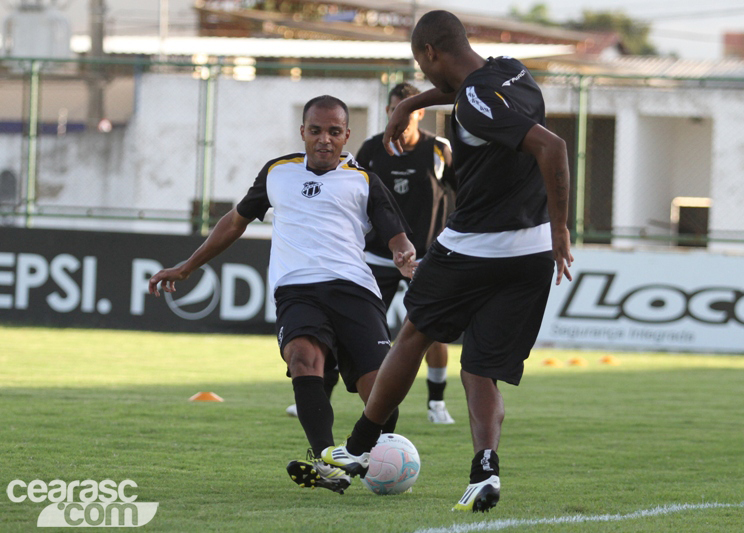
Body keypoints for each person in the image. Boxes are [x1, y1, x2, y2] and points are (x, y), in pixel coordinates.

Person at [321, 11, 574, 512]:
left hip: (474, 246)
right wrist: (413, 101)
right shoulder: (511, 71)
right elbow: (470, 92)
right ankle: (485, 471)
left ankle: (355, 448)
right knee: (479, 368)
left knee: (414, 333)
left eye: (422, 64)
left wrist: (564, 225)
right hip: (529, 253)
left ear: (430, 53)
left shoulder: (475, 102)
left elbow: (553, 146)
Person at [148, 95, 417, 495]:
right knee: (303, 358)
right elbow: (233, 222)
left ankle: (356, 459)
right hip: (297, 289)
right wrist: (188, 266)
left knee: (380, 397)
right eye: (315, 130)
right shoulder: (278, 172)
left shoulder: (363, 179)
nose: (324, 139)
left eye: (333, 132)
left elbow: (395, 231)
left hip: (355, 290)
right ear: (303, 132)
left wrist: (402, 252)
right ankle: (327, 459)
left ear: (346, 135)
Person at [285, 82, 458, 424]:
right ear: (388, 112)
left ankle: (436, 404)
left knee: (431, 329)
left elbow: (463, 193)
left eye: (407, 110)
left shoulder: (439, 149)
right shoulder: (371, 149)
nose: (401, 117)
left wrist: (450, 237)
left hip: (426, 259)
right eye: (395, 110)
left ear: (420, 113)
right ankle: (322, 395)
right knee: (343, 327)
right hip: (377, 257)